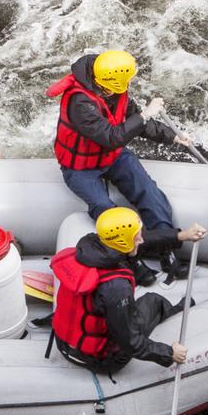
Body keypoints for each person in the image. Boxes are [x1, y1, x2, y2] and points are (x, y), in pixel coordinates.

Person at [49, 49, 191, 276]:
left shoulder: (113, 90)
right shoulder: (80, 103)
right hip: (81, 169)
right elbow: (111, 137)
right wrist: (145, 114)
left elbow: (135, 121)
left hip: (112, 157)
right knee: (106, 211)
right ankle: (129, 258)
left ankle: (166, 248)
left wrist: (172, 136)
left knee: (149, 192)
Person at [50, 206, 208, 375]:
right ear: (123, 241)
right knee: (153, 301)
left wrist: (182, 236)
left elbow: (142, 242)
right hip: (102, 359)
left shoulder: (91, 246)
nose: (140, 240)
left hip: (65, 344)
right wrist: (169, 354)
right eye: (137, 237)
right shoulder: (116, 288)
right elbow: (130, 342)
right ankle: (175, 312)